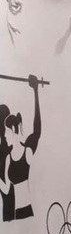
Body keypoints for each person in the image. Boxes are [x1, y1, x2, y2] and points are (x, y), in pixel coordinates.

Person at [0, 74, 41, 221]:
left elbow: (37, 131)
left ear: (13, 130)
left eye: (6, 132)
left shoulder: (27, 151)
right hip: (16, 213)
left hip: (28, 211)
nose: (5, 136)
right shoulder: (8, 158)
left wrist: (35, 91)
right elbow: (5, 188)